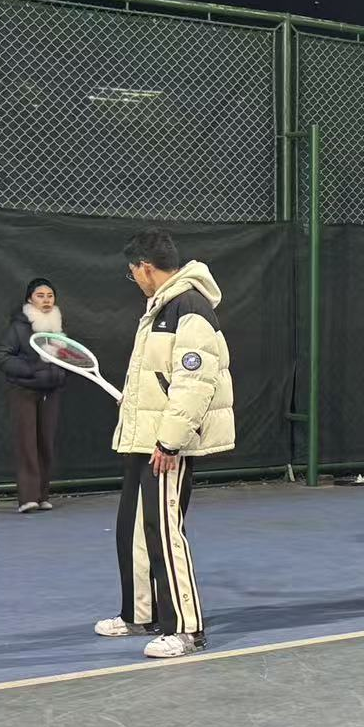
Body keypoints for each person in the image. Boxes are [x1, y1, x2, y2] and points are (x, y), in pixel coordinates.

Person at [93, 229, 236, 659]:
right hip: (143, 439)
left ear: (144, 268)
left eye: (132, 272)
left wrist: (170, 443)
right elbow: (159, 378)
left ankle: (186, 630)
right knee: (134, 527)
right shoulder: (160, 308)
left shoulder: (188, 308)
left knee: (164, 531)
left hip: (167, 445)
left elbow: (195, 382)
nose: (134, 279)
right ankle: (140, 614)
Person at [0, 277, 68, 514]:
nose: (46, 300)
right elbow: (2, 356)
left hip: (51, 393)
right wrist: (32, 371)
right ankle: (27, 498)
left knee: (45, 443)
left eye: (50, 296)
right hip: (22, 391)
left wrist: (58, 375)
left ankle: (42, 496)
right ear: (30, 299)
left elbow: (66, 357)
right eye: (40, 296)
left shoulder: (58, 326)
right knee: (26, 444)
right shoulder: (18, 327)